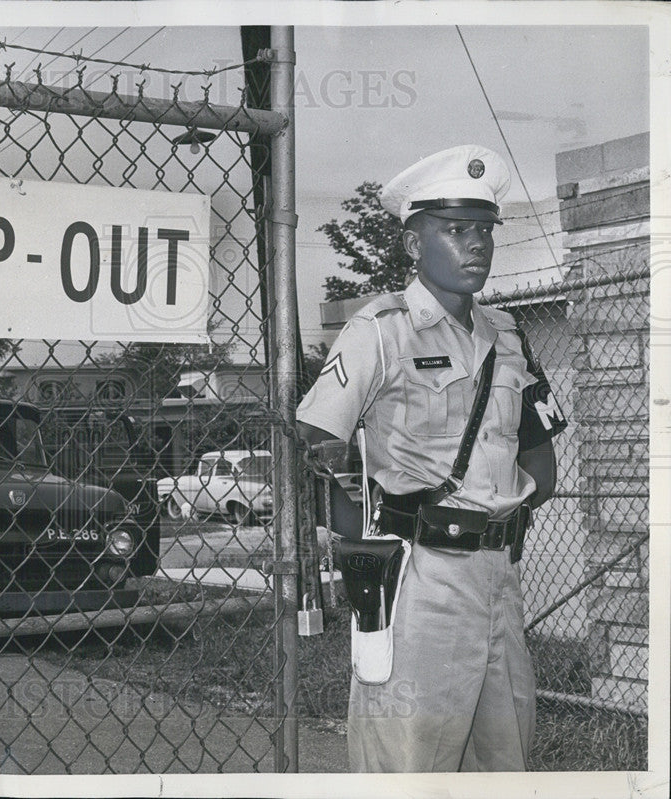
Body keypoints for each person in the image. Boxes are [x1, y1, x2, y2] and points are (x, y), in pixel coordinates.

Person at [296, 145, 567, 772]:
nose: (477, 246)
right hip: (420, 577)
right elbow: (314, 442)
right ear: (414, 244)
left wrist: (498, 514)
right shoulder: (381, 329)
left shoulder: (508, 334)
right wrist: (372, 538)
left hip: (501, 574)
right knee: (410, 765)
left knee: (505, 763)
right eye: (454, 230)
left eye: (484, 231)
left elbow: (541, 459)